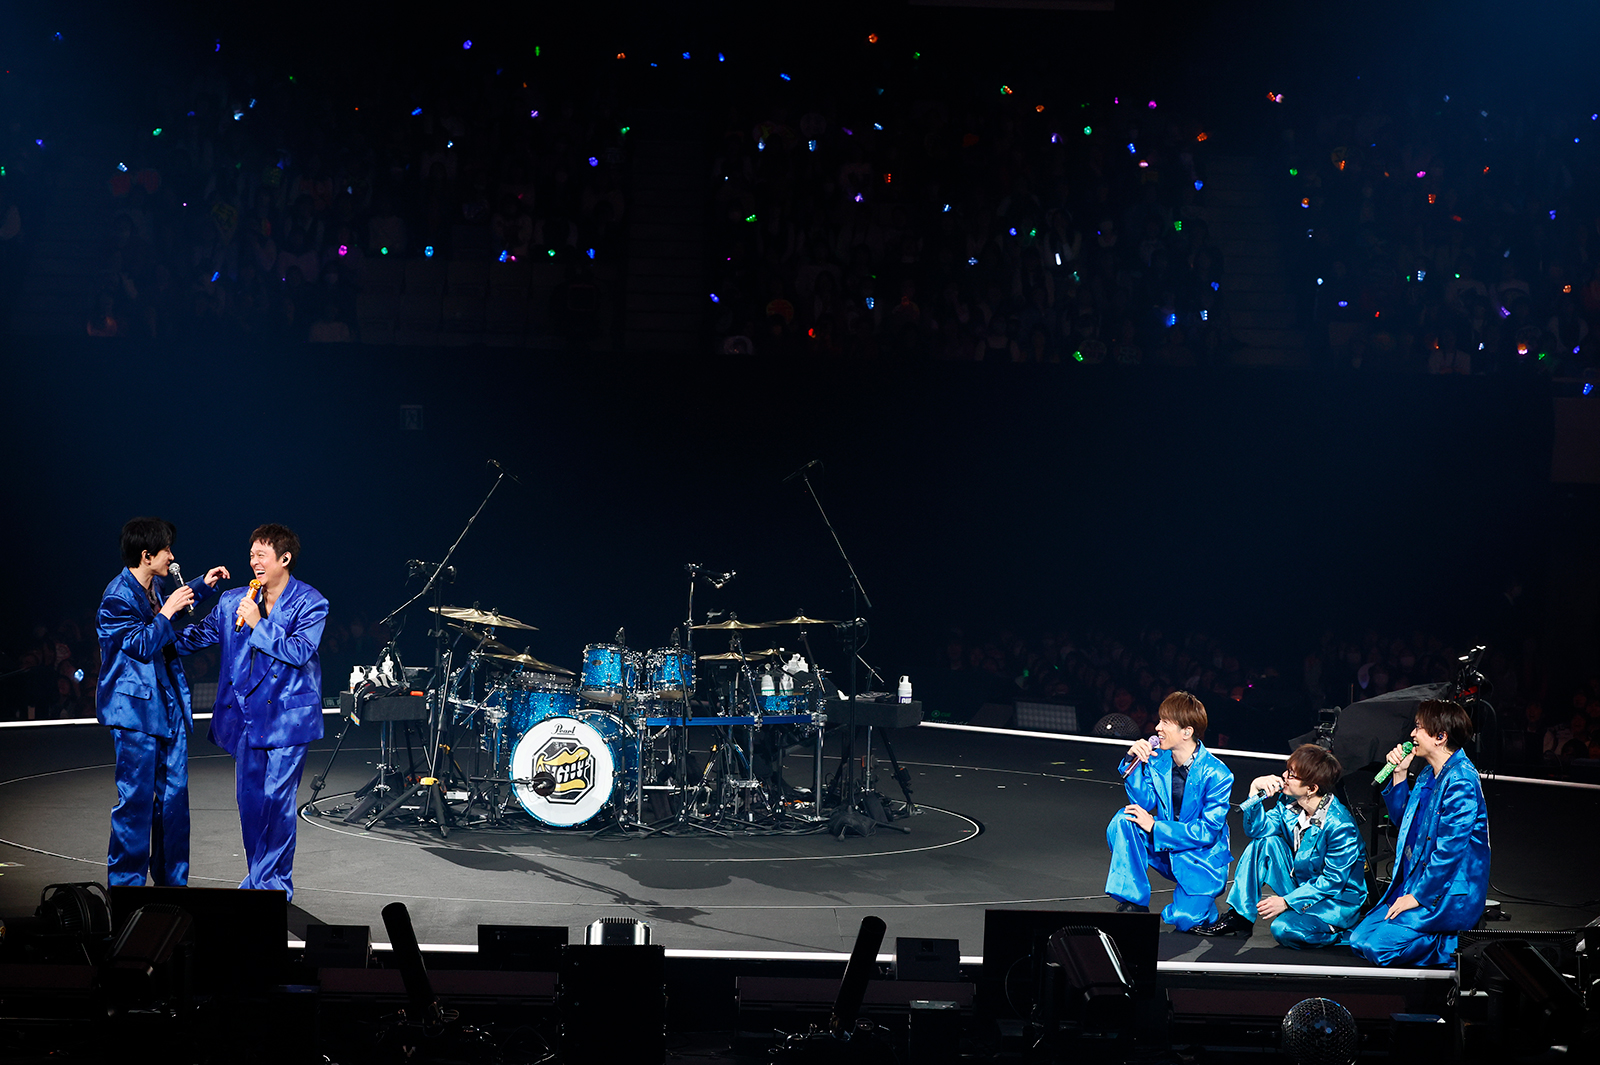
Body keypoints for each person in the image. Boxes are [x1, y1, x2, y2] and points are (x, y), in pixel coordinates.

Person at [177, 524, 326, 898]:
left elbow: (299, 651)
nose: (254, 562)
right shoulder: (233, 601)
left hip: (288, 718)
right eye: (252, 555)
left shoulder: (311, 602)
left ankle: (273, 885)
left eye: (262, 554)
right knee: (251, 803)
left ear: (284, 558)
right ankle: (259, 878)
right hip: (245, 719)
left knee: (278, 801)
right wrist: (158, 632)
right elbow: (198, 636)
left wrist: (260, 624)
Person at [96, 517, 229, 886]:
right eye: (166, 549)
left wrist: (202, 586)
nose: (172, 556)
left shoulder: (153, 587)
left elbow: (165, 616)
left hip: (167, 706)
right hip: (135, 713)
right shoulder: (116, 597)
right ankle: (126, 886)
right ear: (146, 554)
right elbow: (141, 644)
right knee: (136, 805)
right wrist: (168, 610)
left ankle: (174, 883)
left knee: (173, 804)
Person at [1348, 699, 1490, 967]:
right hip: (1417, 881)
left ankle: (1454, 945)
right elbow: (1407, 825)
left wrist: (1417, 896)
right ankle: (1419, 933)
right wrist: (1400, 774)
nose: (1412, 734)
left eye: (1418, 728)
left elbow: (1449, 852)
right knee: (1359, 941)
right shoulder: (1428, 774)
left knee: (1380, 950)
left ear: (1440, 736)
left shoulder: (1461, 781)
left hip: (1444, 891)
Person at [1193, 744, 1367, 945]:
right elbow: (1257, 830)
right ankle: (1239, 917)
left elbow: (1332, 881)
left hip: (1333, 900)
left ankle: (1341, 931)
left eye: (1292, 775)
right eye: (1287, 770)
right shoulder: (1289, 802)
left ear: (1311, 788)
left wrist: (1286, 902)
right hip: (1302, 881)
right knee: (1265, 843)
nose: (1284, 776)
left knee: (1283, 929)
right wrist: (1254, 790)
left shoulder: (1340, 826)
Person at [1105, 691, 1233, 930]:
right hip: (1165, 847)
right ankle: (1133, 903)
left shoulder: (1218, 774)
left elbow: (1207, 831)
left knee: (1186, 921)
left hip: (1199, 857)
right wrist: (1132, 762)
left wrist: (1155, 827)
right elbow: (1143, 802)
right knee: (1125, 819)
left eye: (1165, 722)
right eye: (1159, 720)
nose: (1157, 728)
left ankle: (1200, 904)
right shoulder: (1158, 759)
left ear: (1187, 732)